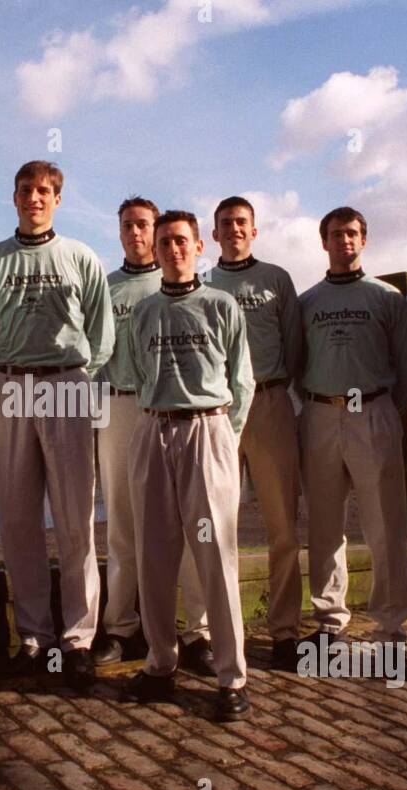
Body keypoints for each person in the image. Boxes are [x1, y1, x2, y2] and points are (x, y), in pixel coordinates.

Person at [0, 160, 113, 691]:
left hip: (67, 385)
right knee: (17, 520)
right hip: (11, 383)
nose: (34, 198)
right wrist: (11, 367)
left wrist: (76, 379)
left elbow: (102, 336)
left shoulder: (80, 257)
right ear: (13, 198)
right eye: (25, 190)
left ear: (57, 198)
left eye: (43, 191)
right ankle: (33, 638)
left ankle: (78, 639)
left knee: (76, 517)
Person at [123, 210, 254, 722]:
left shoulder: (221, 305)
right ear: (154, 251)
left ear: (199, 245)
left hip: (207, 429)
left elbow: (243, 380)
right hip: (154, 428)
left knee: (216, 557)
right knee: (153, 556)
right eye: (164, 242)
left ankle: (231, 676)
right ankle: (160, 663)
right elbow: (137, 372)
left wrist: (223, 438)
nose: (173, 249)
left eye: (181, 240)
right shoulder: (144, 313)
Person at [180, 196, 304, 672]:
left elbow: (294, 348)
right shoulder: (202, 282)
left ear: (254, 231)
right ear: (212, 236)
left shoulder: (276, 280)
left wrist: (276, 392)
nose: (233, 229)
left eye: (241, 223)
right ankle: (206, 630)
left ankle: (285, 630)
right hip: (217, 412)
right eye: (225, 223)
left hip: (270, 404)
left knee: (282, 527)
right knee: (210, 523)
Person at [93, 197, 211, 672]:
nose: (135, 233)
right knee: (122, 522)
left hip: (174, 411)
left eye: (144, 225)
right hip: (121, 407)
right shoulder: (106, 287)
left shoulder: (183, 288)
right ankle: (121, 626)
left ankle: (197, 631)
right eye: (127, 226)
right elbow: (96, 353)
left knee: (189, 522)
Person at [297, 207, 407, 653]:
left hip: (373, 410)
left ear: (363, 240)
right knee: (325, 525)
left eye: (351, 233)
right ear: (323, 241)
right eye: (335, 233)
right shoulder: (307, 302)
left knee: (385, 522)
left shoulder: (388, 299)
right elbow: (296, 364)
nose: (343, 240)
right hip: (319, 414)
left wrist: (382, 406)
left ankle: (389, 625)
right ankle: (330, 618)